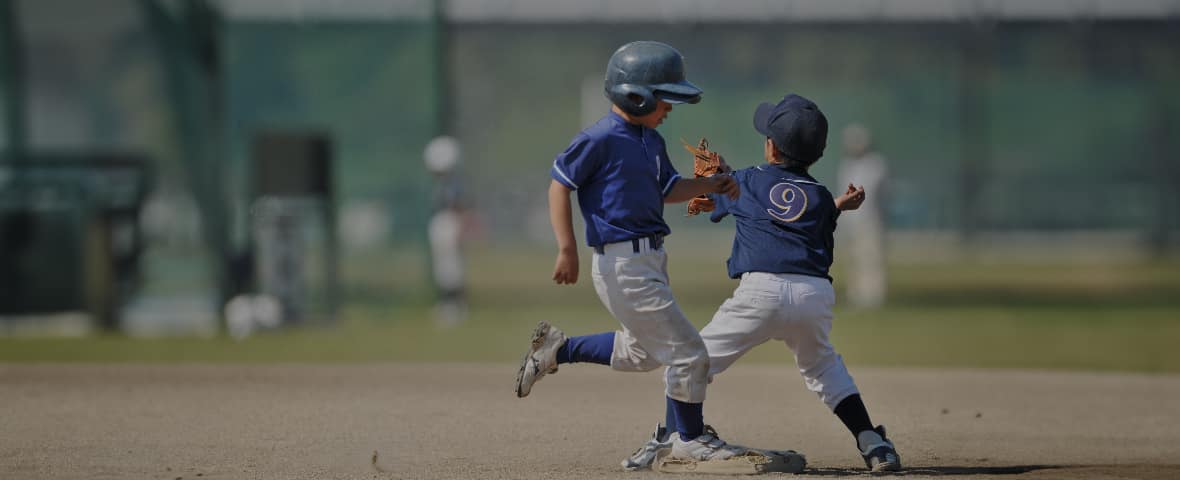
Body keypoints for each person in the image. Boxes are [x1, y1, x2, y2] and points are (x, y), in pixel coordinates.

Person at [619, 94, 902, 473]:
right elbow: (794, 212)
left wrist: (716, 176)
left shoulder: (747, 179)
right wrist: (838, 205)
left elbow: (734, 198)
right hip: (811, 296)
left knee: (688, 362)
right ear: (817, 154)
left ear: (770, 147)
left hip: (760, 293)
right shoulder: (818, 195)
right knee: (822, 368)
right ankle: (873, 442)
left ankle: (676, 436)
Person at [514, 41, 749, 464]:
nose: (670, 108)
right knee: (690, 352)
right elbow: (559, 185)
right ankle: (689, 439)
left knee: (643, 354)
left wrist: (711, 185)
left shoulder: (651, 141)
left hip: (650, 260)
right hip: (622, 262)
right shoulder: (598, 138)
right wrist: (567, 247)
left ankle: (556, 350)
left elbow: (669, 190)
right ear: (635, 95)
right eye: (665, 99)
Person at [836, 123, 888, 308]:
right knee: (853, 259)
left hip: (869, 219)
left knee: (870, 259)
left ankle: (873, 297)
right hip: (849, 220)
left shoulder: (875, 164)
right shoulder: (847, 165)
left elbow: (876, 193)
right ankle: (856, 295)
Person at [424, 135, 467, 327]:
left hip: (449, 223)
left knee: (451, 268)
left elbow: (457, 207)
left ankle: (454, 307)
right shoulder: (444, 182)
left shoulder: (453, 183)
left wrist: (459, 227)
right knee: (444, 268)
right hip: (443, 223)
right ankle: (447, 304)